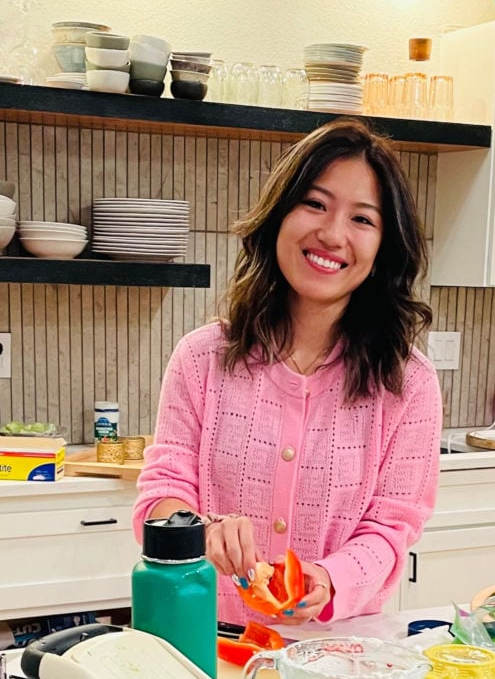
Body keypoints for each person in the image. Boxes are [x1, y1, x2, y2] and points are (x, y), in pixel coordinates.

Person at [132, 118, 443, 626]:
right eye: (315, 204)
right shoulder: (202, 357)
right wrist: (198, 529)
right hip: (207, 633)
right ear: (279, 216)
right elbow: (163, 489)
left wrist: (331, 578)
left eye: (363, 219)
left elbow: (392, 525)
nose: (332, 234)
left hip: (337, 651)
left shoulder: (407, 381)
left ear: (385, 246)